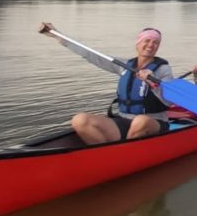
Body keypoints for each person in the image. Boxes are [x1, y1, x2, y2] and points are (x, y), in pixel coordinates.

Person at [40, 22, 174, 144]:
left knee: (140, 121)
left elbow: (169, 101)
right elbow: (90, 54)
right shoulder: (125, 66)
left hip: (153, 122)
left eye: (156, 42)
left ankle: (123, 157)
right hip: (123, 120)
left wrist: (153, 83)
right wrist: (58, 36)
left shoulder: (163, 70)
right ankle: (107, 156)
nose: (151, 45)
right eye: (147, 40)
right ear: (138, 43)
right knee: (79, 120)